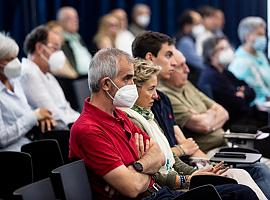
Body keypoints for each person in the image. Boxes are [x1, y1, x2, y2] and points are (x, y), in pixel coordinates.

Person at [69, 48, 259, 200]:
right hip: (152, 196)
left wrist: (137, 168)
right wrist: (144, 165)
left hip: (161, 192)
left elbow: (159, 155)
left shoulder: (120, 115)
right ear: (106, 84)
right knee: (240, 194)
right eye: (127, 78)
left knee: (238, 188)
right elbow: (132, 187)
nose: (131, 85)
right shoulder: (88, 129)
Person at [121, 58, 267, 199]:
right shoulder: (133, 122)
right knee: (242, 189)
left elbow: (172, 160)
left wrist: (199, 173)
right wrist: (188, 178)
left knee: (242, 175)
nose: (156, 95)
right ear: (134, 90)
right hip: (169, 189)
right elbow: (152, 173)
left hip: (182, 179)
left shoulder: (148, 116)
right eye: (151, 89)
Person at [158, 48, 270, 199]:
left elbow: (223, 112)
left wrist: (205, 117)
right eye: (180, 66)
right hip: (209, 152)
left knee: (265, 165)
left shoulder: (187, 85)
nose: (187, 69)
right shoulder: (165, 97)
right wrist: (209, 115)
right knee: (259, 169)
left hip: (225, 144)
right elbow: (202, 125)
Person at [132, 31, 207, 159]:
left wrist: (213, 167)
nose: (174, 63)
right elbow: (151, 158)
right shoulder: (137, 101)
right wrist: (181, 150)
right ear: (150, 58)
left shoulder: (163, 98)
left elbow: (187, 145)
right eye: (168, 55)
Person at [0, 33, 55, 151]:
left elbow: (25, 112)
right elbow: (2, 138)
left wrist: (41, 117)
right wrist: (33, 116)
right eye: (10, 59)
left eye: (15, 57)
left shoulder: (15, 80)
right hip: (14, 153)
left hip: (31, 140)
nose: (15, 62)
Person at [198, 36, 267, 128]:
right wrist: (241, 94)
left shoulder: (225, 72)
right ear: (211, 53)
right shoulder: (211, 76)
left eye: (228, 47)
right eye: (222, 48)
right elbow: (236, 105)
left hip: (245, 117)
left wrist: (243, 94)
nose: (227, 51)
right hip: (233, 124)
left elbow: (251, 91)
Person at [20, 25, 80, 130]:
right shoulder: (28, 73)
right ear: (39, 48)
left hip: (71, 126)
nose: (60, 54)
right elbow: (53, 115)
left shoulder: (48, 75)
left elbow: (66, 108)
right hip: (61, 134)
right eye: (55, 48)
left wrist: (84, 121)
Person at [228, 17, 270, 105]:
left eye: (263, 34)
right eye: (259, 34)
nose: (263, 38)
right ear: (247, 36)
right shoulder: (239, 62)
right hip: (256, 107)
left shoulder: (260, 55)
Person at [57, 6, 92, 75]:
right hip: (77, 80)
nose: (75, 21)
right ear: (61, 22)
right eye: (69, 18)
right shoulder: (60, 41)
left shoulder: (78, 37)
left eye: (76, 17)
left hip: (90, 76)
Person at [175, 10, 206, 84]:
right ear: (187, 25)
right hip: (189, 80)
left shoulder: (190, 38)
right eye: (197, 23)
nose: (201, 26)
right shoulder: (185, 41)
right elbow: (199, 63)